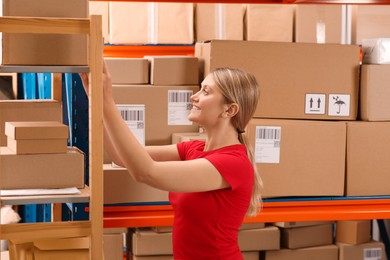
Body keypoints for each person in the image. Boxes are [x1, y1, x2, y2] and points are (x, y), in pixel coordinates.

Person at [79, 63, 263, 259]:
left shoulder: (233, 163)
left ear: (229, 110)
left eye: (206, 91)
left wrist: (108, 102)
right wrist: (97, 102)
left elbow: (146, 172)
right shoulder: (193, 149)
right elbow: (120, 156)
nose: (194, 96)